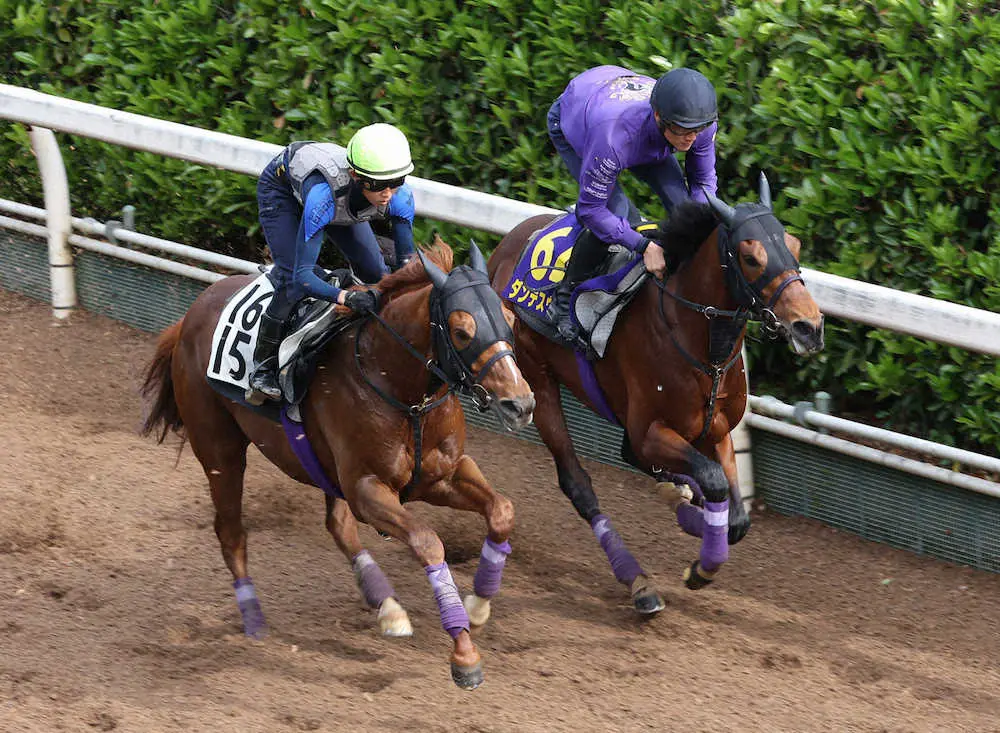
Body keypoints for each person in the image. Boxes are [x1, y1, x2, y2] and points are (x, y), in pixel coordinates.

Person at [546, 65, 719, 342]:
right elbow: (592, 210)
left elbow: (704, 183)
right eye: (683, 129)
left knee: (687, 209)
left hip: (630, 113)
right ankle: (565, 299)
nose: (691, 137)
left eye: (698, 129)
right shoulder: (613, 137)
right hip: (581, 118)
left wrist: (697, 224)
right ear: (660, 116)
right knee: (617, 212)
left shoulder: (698, 125)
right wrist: (644, 246)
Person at [246, 122, 417, 402]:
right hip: (284, 191)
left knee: (375, 272)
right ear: (356, 175)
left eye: (396, 182)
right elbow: (303, 276)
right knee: (291, 281)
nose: (388, 194)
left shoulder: (400, 197)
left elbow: (405, 267)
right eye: (378, 185)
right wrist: (346, 298)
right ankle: (263, 368)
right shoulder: (323, 197)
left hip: (342, 197)